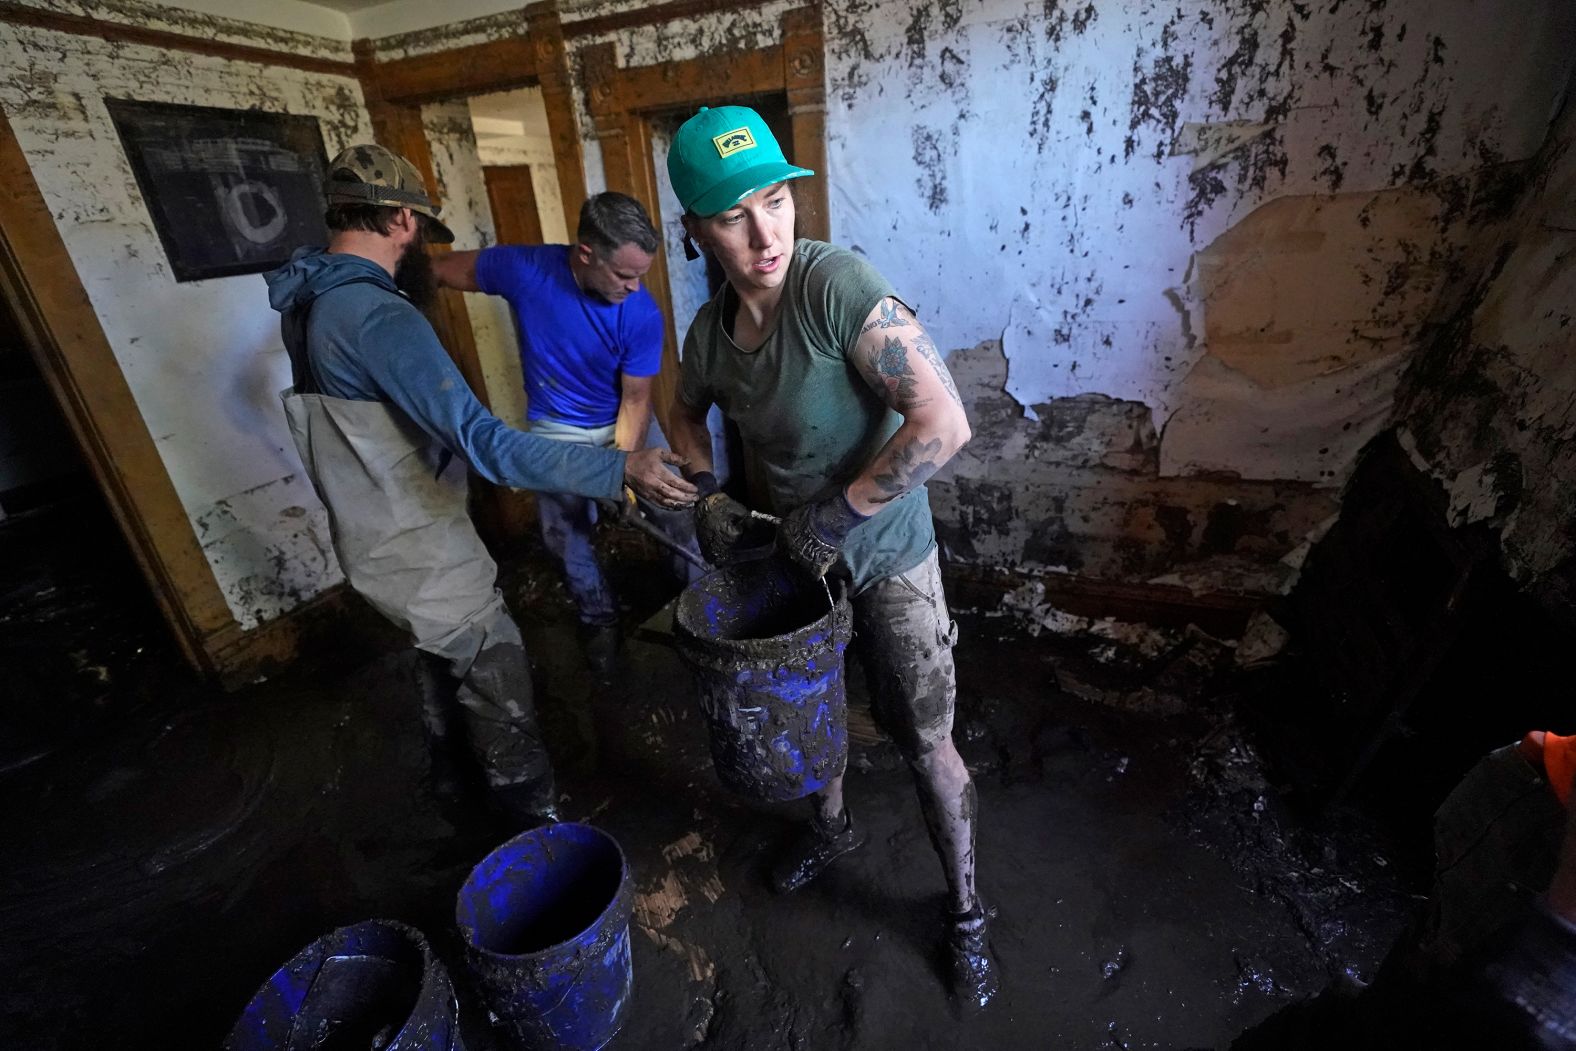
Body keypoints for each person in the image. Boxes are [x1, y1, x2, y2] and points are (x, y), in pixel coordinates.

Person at [661, 105, 998, 1008]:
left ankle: (965, 912)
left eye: (776, 199)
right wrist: (709, 493)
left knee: (926, 737)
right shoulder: (708, 339)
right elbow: (681, 409)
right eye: (733, 215)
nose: (765, 231)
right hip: (799, 559)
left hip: (884, 551)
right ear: (695, 230)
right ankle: (835, 828)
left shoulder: (835, 287)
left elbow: (946, 421)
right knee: (816, 713)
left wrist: (840, 513)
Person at [264, 144, 696, 826]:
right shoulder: (380, 316)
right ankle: (532, 826)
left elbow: (636, 395)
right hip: (417, 534)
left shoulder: (308, 296)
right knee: (491, 665)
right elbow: (488, 445)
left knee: (438, 654)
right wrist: (619, 471)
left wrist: (622, 455)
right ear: (403, 221)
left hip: (376, 529)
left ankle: (454, 790)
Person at [432, 192, 704, 674]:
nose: (635, 286)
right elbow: (442, 269)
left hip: (623, 423)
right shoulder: (524, 269)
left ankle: (705, 605)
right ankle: (598, 618)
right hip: (556, 431)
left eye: (640, 274)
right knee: (565, 533)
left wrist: (622, 473)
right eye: (623, 275)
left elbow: (636, 399)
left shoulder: (639, 312)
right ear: (585, 254)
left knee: (675, 511)